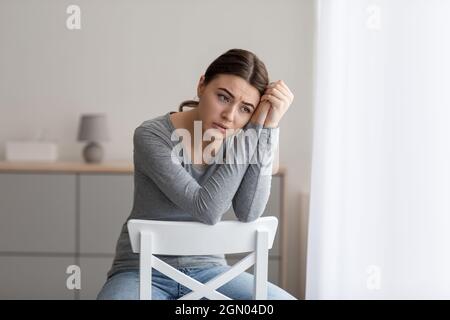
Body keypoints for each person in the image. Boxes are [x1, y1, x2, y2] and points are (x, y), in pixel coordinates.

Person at [97, 48, 295, 300]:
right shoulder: (151, 135)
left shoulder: (241, 139)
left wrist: (268, 127)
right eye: (223, 97)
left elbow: (249, 211)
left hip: (210, 271)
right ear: (202, 85)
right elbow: (207, 209)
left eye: (246, 109)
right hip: (141, 271)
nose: (230, 116)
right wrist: (253, 132)